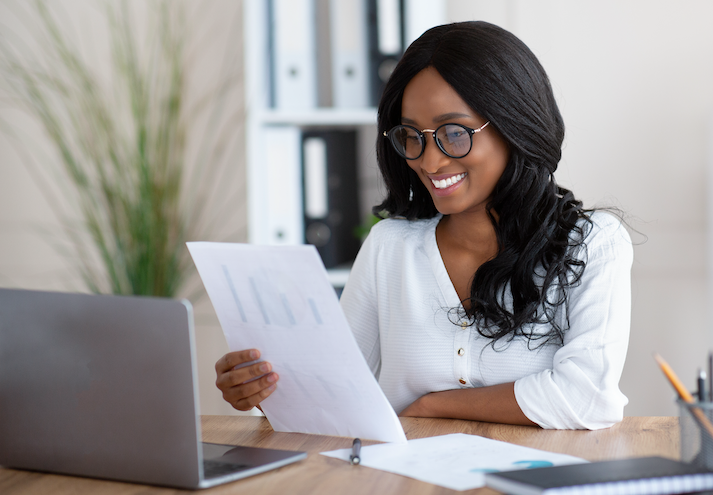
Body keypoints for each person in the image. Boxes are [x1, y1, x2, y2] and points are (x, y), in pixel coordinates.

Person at [215, 21, 632, 430]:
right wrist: (262, 391)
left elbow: (588, 397)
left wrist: (433, 407)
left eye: (453, 133)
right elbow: (335, 395)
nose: (429, 162)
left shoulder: (592, 244)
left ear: (514, 125)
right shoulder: (389, 248)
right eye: (412, 136)